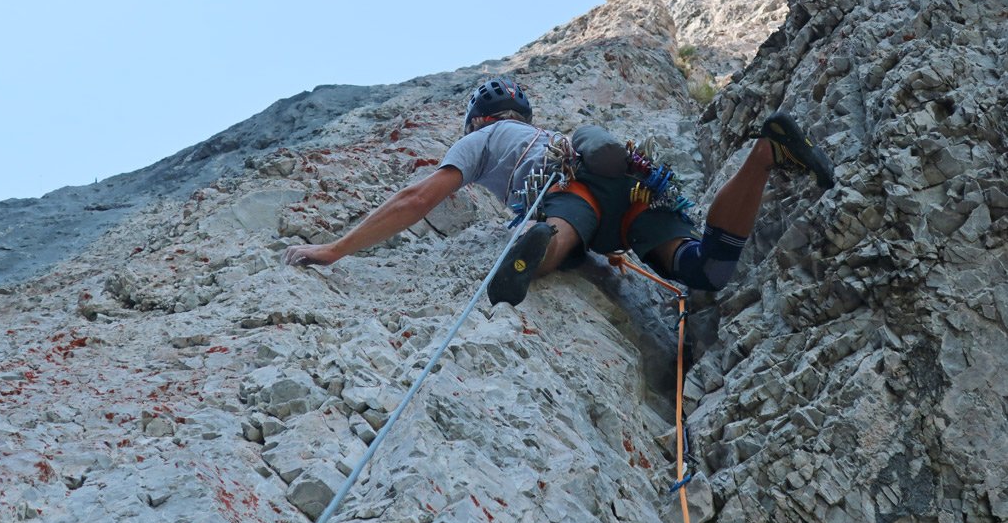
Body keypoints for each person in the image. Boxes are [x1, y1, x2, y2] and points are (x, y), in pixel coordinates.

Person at [283, 77, 835, 306]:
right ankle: (764, 156)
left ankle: (541, 246)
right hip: (638, 192)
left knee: (563, 228)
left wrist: (334, 248)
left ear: (478, 119)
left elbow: (417, 200)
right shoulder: (548, 133)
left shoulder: (482, 139)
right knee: (706, 269)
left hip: (575, 190)